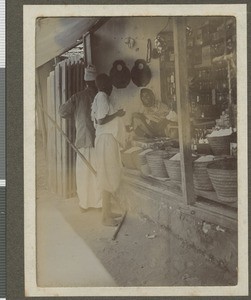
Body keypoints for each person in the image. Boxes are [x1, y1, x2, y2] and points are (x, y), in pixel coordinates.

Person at [59, 65, 102, 211]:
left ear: (85, 82)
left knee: (84, 173)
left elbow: (62, 112)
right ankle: (98, 203)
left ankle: (84, 203)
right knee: (97, 171)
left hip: (84, 139)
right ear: (95, 82)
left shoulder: (77, 97)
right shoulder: (100, 96)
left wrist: (75, 115)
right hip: (98, 140)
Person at [91, 73, 126, 226]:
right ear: (105, 84)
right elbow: (101, 119)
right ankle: (105, 217)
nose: (111, 86)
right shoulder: (102, 96)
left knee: (110, 174)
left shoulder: (100, 97)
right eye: (110, 83)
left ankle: (108, 212)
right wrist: (117, 114)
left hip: (106, 140)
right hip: (105, 141)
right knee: (106, 176)